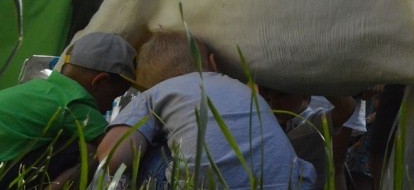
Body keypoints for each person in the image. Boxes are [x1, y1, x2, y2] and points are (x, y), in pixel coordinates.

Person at [96, 31, 316, 189]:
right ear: (212, 62)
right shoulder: (243, 90)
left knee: (148, 147)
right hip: (292, 183)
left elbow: (112, 158)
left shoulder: (154, 94)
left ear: (145, 85)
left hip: (207, 184)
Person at [0, 32, 135, 189]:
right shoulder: (75, 103)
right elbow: (117, 144)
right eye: (114, 96)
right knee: (92, 151)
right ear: (100, 81)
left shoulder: (40, 88)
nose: (110, 105)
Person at [258, 87, 356, 188]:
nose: (274, 104)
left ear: (305, 95)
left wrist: (315, 80)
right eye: (268, 98)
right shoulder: (267, 122)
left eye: (283, 95)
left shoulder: (314, 122)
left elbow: (346, 108)